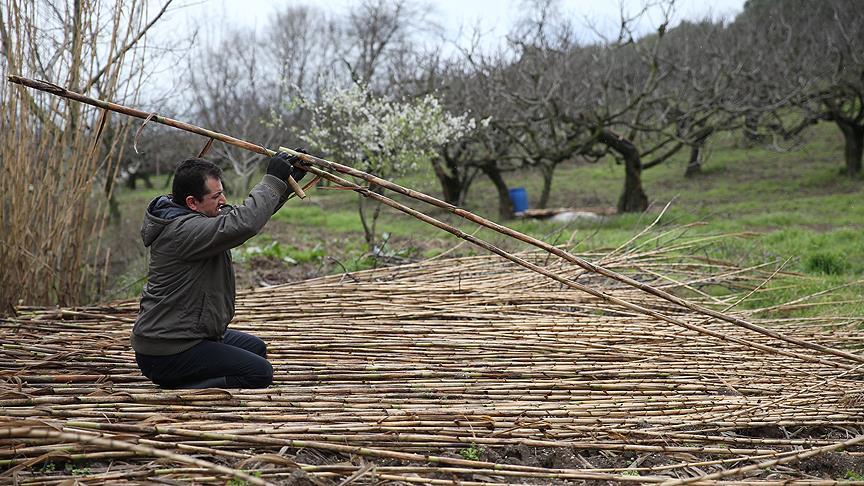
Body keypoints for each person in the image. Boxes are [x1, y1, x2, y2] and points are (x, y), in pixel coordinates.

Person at [131, 152, 306, 389]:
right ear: (192, 202)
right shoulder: (183, 231)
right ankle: (182, 386)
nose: (223, 199)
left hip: (189, 333)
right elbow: (243, 223)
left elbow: (242, 218)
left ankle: (190, 374)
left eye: (222, 192)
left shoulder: (194, 216)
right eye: (216, 196)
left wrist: (283, 184)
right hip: (167, 349)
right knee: (259, 373)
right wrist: (271, 180)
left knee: (257, 349)